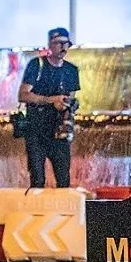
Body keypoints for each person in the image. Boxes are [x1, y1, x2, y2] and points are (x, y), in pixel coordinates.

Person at [18, 27, 81, 188]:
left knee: (63, 180)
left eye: (66, 43)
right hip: (36, 131)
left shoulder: (71, 70)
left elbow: (70, 98)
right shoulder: (37, 65)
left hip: (59, 132)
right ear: (50, 45)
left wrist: (68, 105)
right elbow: (23, 95)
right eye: (58, 43)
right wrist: (50, 100)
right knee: (38, 179)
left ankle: (62, 205)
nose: (63, 47)